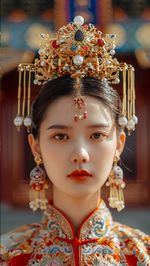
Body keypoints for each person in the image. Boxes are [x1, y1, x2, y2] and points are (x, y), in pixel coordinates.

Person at [0, 16, 149, 266]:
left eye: (97, 135)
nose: (80, 153)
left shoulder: (142, 256)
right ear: (35, 146)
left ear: (119, 144)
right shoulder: (8, 256)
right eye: (60, 136)